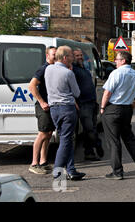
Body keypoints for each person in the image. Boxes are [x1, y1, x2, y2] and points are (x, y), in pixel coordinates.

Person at [100, 51, 135, 180]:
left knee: (114, 141)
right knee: (129, 138)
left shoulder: (116, 73)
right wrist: (134, 102)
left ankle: (117, 171)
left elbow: (107, 92)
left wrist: (102, 107)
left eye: (116, 59)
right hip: (127, 109)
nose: (115, 62)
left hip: (113, 108)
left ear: (123, 61)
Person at [45, 46, 85, 181]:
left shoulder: (48, 69)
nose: (73, 59)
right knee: (66, 140)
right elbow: (77, 93)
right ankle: (57, 171)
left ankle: (71, 170)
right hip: (67, 108)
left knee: (65, 139)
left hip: (54, 109)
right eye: (71, 56)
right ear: (65, 57)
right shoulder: (68, 73)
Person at [28, 46, 57, 174]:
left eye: (57, 54)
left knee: (49, 134)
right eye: (53, 55)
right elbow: (32, 86)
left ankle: (43, 161)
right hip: (43, 107)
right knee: (43, 134)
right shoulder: (43, 69)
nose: (55, 57)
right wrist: (42, 102)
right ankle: (34, 163)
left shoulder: (53, 69)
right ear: (47, 56)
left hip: (50, 106)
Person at [72, 48, 104, 161]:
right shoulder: (73, 70)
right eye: (77, 55)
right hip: (83, 104)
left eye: (81, 55)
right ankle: (98, 144)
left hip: (91, 103)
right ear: (72, 57)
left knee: (91, 129)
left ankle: (89, 152)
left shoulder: (84, 68)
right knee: (90, 128)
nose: (80, 57)